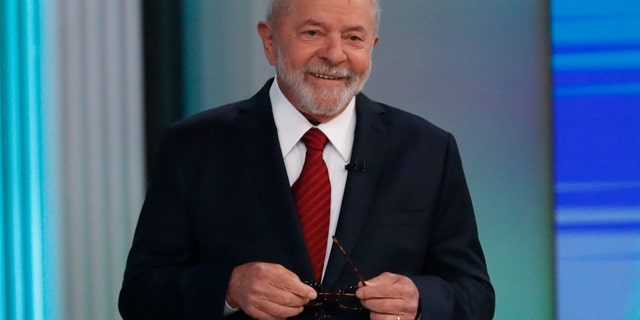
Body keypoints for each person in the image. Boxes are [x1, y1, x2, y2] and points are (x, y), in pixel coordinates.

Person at [118, 0, 495, 319]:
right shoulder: (194, 146)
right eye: (312, 33)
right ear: (269, 41)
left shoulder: (428, 149)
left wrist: (421, 299)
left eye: (353, 38)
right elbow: (139, 293)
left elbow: (476, 294)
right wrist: (229, 287)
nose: (334, 54)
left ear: (372, 46)